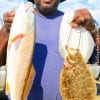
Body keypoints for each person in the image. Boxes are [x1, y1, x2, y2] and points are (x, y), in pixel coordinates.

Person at [2, 0, 99, 100]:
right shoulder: (16, 23)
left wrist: (92, 29)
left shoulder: (72, 22)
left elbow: (95, 58)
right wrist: (6, 30)